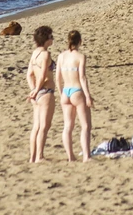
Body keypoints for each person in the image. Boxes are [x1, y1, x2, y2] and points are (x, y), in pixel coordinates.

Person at [56, 30, 94, 162]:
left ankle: (70, 156)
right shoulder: (80, 57)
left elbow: (57, 78)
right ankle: (86, 156)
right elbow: (82, 78)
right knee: (85, 126)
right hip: (77, 90)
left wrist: (61, 94)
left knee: (68, 126)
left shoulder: (61, 56)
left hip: (66, 91)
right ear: (80, 41)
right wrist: (88, 96)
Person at [27, 26, 56, 163]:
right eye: (51, 37)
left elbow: (29, 75)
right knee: (44, 126)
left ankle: (32, 157)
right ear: (45, 39)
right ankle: (40, 156)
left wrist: (33, 90)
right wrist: (37, 90)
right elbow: (43, 75)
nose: (52, 39)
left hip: (37, 93)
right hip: (45, 92)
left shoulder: (35, 53)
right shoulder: (45, 54)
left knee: (36, 127)